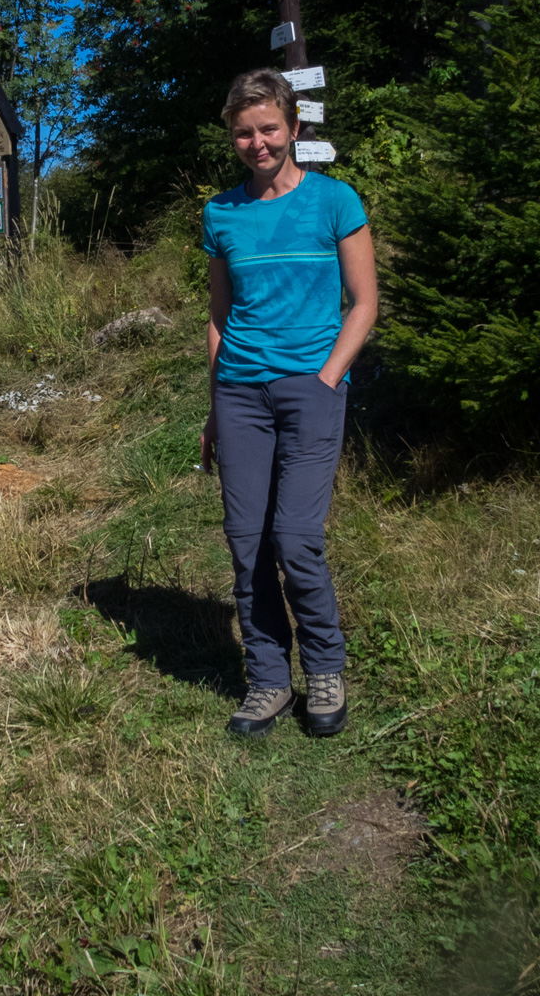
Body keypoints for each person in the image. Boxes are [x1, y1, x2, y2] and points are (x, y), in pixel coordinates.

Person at [199, 69, 378, 738]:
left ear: (294, 128)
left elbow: (365, 303)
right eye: (244, 133)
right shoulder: (222, 214)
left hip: (312, 387)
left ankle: (325, 668)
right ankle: (269, 681)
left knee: (296, 539)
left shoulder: (334, 201)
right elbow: (219, 316)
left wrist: (329, 376)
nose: (257, 142)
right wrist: (216, 408)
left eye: (269, 128)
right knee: (247, 545)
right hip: (241, 393)